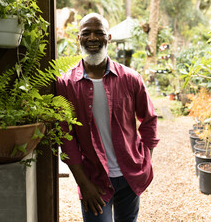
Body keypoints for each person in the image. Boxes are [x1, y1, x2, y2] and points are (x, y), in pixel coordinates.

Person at [56, 13, 159, 222]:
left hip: (130, 177)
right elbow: (66, 139)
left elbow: (149, 121)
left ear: (108, 37)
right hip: (94, 180)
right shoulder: (66, 84)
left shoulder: (130, 79)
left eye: (99, 33)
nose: (92, 38)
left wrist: (145, 162)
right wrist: (84, 185)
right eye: (86, 33)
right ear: (78, 38)